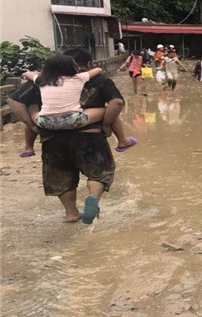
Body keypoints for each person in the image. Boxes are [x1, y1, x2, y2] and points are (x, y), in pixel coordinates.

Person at [7, 48, 132, 224]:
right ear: (87, 64)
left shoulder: (42, 81)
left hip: (52, 139)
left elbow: (14, 101)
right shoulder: (97, 80)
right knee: (99, 174)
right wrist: (106, 124)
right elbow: (117, 103)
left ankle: (71, 213)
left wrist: (32, 125)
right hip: (90, 136)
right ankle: (93, 197)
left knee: (61, 177)